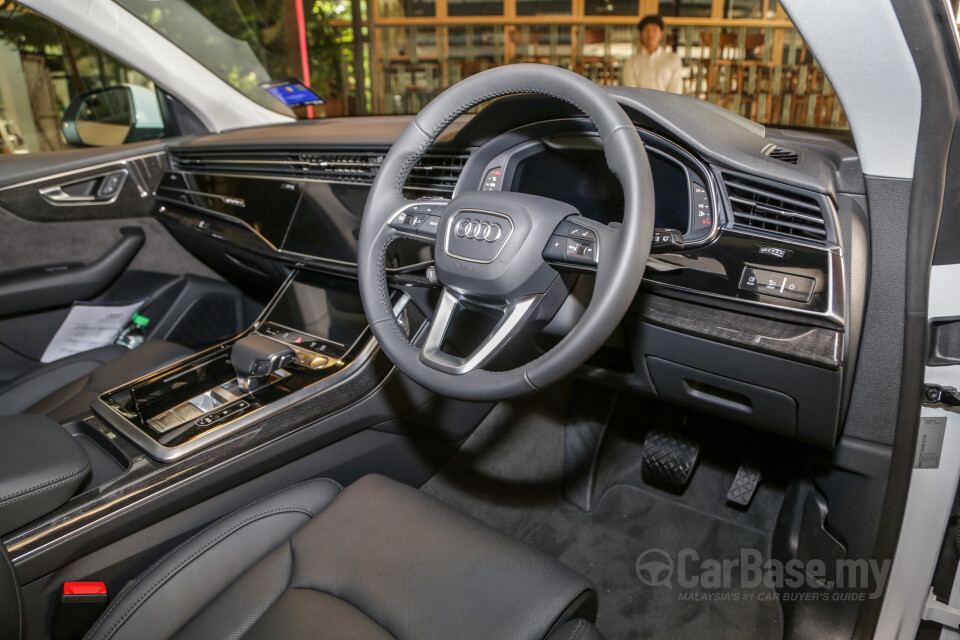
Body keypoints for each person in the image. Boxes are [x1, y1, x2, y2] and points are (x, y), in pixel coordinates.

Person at [622, 15, 683, 94]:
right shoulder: (630, 63)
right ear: (640, 35)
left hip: (667, 105)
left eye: (654, 29)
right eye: (647, 30)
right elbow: (632, 94)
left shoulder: (673, 60)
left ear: (661, 34)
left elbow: (676, 91)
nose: (650, 33)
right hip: (640, 106)